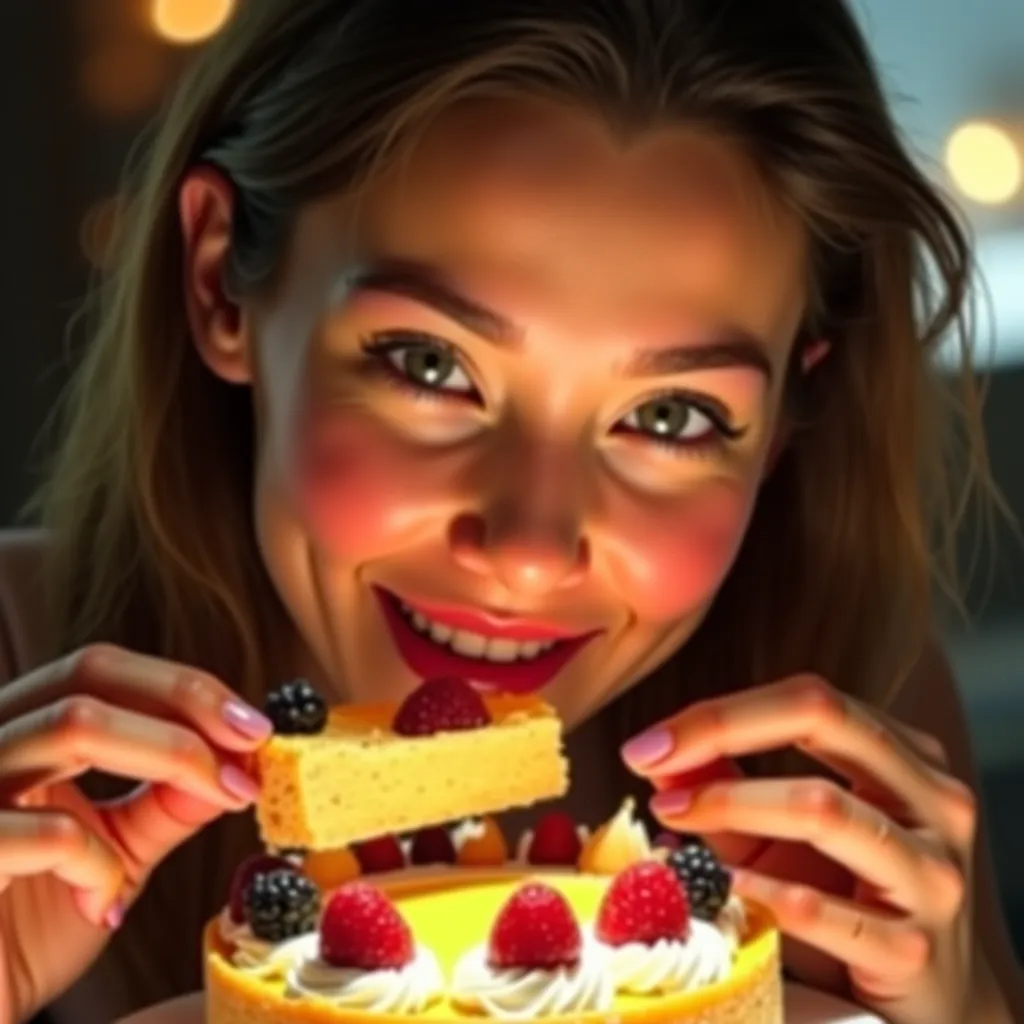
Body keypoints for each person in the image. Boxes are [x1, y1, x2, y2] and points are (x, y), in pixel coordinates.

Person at [0, 1, 1018, 1022]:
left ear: (789, 414)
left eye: (671, 416)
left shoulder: (857, 725)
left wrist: (965, 1011)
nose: (528, 553)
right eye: (431, 365)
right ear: (223, 282)